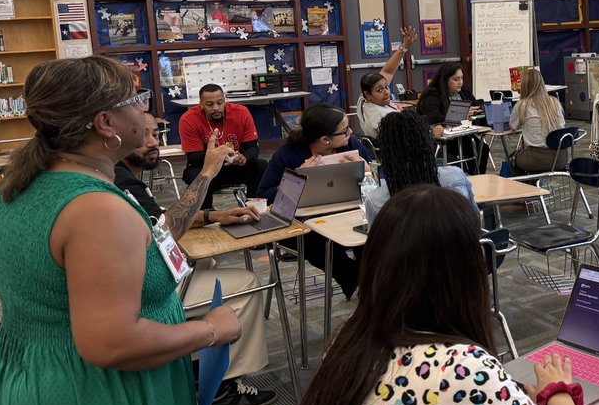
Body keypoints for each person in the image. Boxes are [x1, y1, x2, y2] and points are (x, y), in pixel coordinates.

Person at [0, 56, 240, 405]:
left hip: (47, 382)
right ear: (105, 123)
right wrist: (214, 329)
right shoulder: (95, 208)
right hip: (102, 399)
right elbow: (111, 342)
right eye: (140, 101)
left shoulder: (32, 184)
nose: (151, 115)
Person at [289, 185, 590, 405]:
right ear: (465, 270)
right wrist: (557, 391)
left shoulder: (351, 340)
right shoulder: (457, 368)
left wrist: (509, 398)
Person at [116, 108, 276, 405]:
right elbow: (166, 228)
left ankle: (192, 365)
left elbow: (160, 218)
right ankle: (221, 388)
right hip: (140, 296)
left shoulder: (122, 175)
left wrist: (215, 215)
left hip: (139, 282)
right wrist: (208, 171)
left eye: (155, 134)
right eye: (144, 134)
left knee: (207, 266)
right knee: (246, 283)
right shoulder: (121, 180)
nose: (154, 142)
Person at [258, 104, 375, 299]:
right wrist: (297, 178)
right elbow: (262, 196)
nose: (351, 132)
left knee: (369, 232)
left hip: (347, 212)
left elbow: (379, 179)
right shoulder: (289, 153)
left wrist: (369, 171)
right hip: (300, 223)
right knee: (317, 240)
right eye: (345, 130)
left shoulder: (351, 144)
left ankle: (368, 281)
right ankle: (358, 278)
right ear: (325, 139)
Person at [364, 110, 478, 226]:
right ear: (427, 143)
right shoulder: (456, 177)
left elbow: (378, 242)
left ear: (385, 152)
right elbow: (475, 220)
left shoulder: (376, 201)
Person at [179, 83, 266, 204]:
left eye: (220, 102)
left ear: (225, 100)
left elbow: (252, 148)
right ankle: (206, 214)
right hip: (206, 167)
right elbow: (193, 158)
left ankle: (254, 206)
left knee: (261, 165)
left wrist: (244, 158)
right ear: (201, 104)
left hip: (234, 166)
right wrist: (220, 154)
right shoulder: (188, 119)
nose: (216, 108)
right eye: (209, 104)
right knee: (196, 176)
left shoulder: (241, 112)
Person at [417, 61, 488, 174]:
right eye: (456, 79)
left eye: (461, 78)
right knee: (456, 157)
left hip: (463, 134)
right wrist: (462, 114)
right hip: (441, 138)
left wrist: (478, 113)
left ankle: (477, 176)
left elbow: (475, 108)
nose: (460, 82)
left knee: (482, 148)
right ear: (445, 80)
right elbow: (432, 118)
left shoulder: (464, 92)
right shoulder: (432, 95)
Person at [355, 24, 416, 140]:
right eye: (379, 90)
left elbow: (387, 72)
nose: (386, 92)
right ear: (367, 94)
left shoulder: (363, 100)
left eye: (386, 87)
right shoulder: (382, 117)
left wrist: (404, 47)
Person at [509, 67, 567, 174]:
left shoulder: (522, 105)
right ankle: (536, 186)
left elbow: (512, 127)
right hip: (561, 158)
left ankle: (527, 188)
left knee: (512, 158)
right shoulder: (555, 102)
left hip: (538, 159)